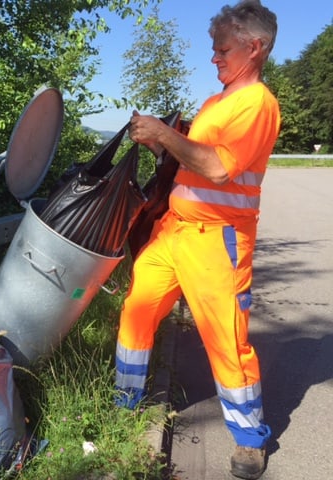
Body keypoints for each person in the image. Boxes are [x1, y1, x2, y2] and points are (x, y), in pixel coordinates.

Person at [115, 1, 280, 479]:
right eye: (213, 49)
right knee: (137, 308)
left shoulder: (257, 105)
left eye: (222, 49)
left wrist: (165, 134)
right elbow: (191, 161)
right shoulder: (216, 103)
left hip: (218, 242)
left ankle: (250, 440)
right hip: (175, 232)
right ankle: (125, 403)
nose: (214, 58)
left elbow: (217, 167)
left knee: (226, 340)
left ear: (255, 47)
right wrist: (159, 141)